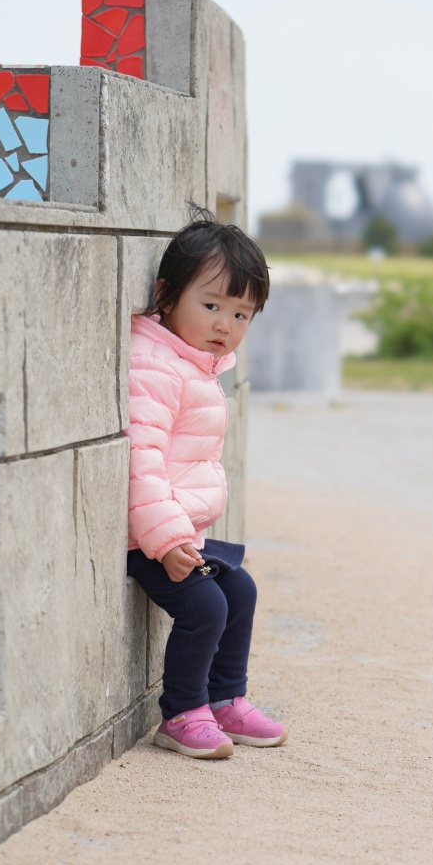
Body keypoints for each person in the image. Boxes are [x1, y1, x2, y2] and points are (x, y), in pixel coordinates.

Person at [125, 209, 286, 759]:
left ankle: (225, 700)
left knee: (238, 589)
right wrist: (168, 542)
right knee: (206, 607)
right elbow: (140, 463)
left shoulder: (190, 363)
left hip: (177, 530)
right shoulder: (155, 366)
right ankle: (182, 712)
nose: (225, 325)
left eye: (242, 314)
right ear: (166, 295)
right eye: (212, 305)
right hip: (147, 536)